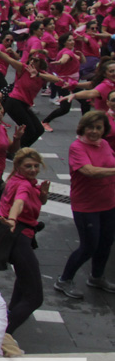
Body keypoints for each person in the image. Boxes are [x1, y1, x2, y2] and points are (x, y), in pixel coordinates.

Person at [0, 149, 48, 335]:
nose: (33, 169)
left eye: (36, 166)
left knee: (23, 281)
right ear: (19, 166)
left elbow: (26, 202)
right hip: (18, 236)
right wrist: (12, 220)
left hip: (16, 236)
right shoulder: (24, 186)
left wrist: (42, 196)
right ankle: (0, 333)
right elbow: (18, 203)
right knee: (35, 298)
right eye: (28, 166)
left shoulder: (17, 181)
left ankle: (8, 316)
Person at [54, 111, 115, 298]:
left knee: (106, 243)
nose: (94, 131)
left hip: (109, 203)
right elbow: (89, 171)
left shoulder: (104, 144)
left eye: (99, 128)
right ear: (83, 127)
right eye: (91, 127)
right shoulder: (77, 147)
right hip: (86, 206)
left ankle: (97, 277)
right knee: (89, 246)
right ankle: (64, 280)